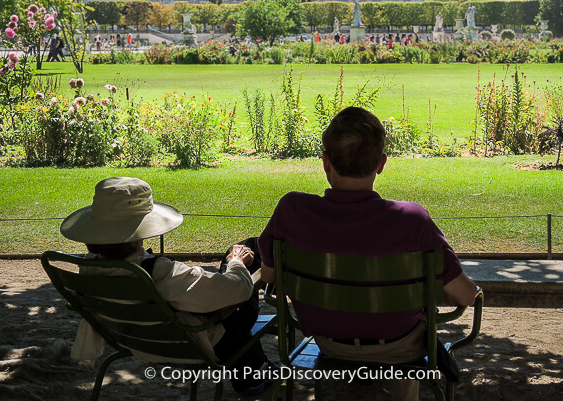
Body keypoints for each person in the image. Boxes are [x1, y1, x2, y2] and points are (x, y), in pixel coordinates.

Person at [258, 107, 477, 401]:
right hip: (400, 344)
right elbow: (464, 296)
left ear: (325, 162)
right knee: (415, 332)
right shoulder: (413, 221)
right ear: (381, 164)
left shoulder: (292, 210)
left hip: (328, 341)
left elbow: (270, 276)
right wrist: (421, 294)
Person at [60, 177, 274, 395]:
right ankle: (254, 375)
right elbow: (236, 289)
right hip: (193, 344)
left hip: (136, 341)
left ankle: (255, 370)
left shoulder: (88, 268)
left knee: (222, 289)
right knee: (249, 252)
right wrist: (236, 261)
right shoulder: (157, 273)